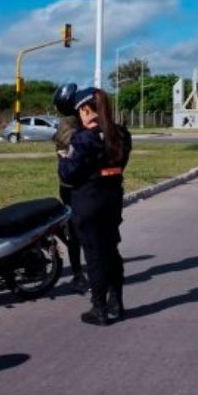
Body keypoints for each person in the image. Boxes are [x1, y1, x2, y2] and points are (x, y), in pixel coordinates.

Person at [59, 87, 132, 326]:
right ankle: (117, 303)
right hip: (112, 199)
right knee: (111, 251)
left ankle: (99, 308)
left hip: (88, 201)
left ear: (85, 109)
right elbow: (121, 164)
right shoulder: (121, 134)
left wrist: (63, 159)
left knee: (94, 256)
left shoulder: (83, 139)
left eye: (80, 110)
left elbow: (69, 175)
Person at [52, 83, 89, 294]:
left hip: (77, 184)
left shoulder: (75, 121)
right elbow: (76, 146)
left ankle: (81, 272)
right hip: (72, 186)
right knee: (76, 233)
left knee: (80, 231)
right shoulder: (68, 124)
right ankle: (77, 274)